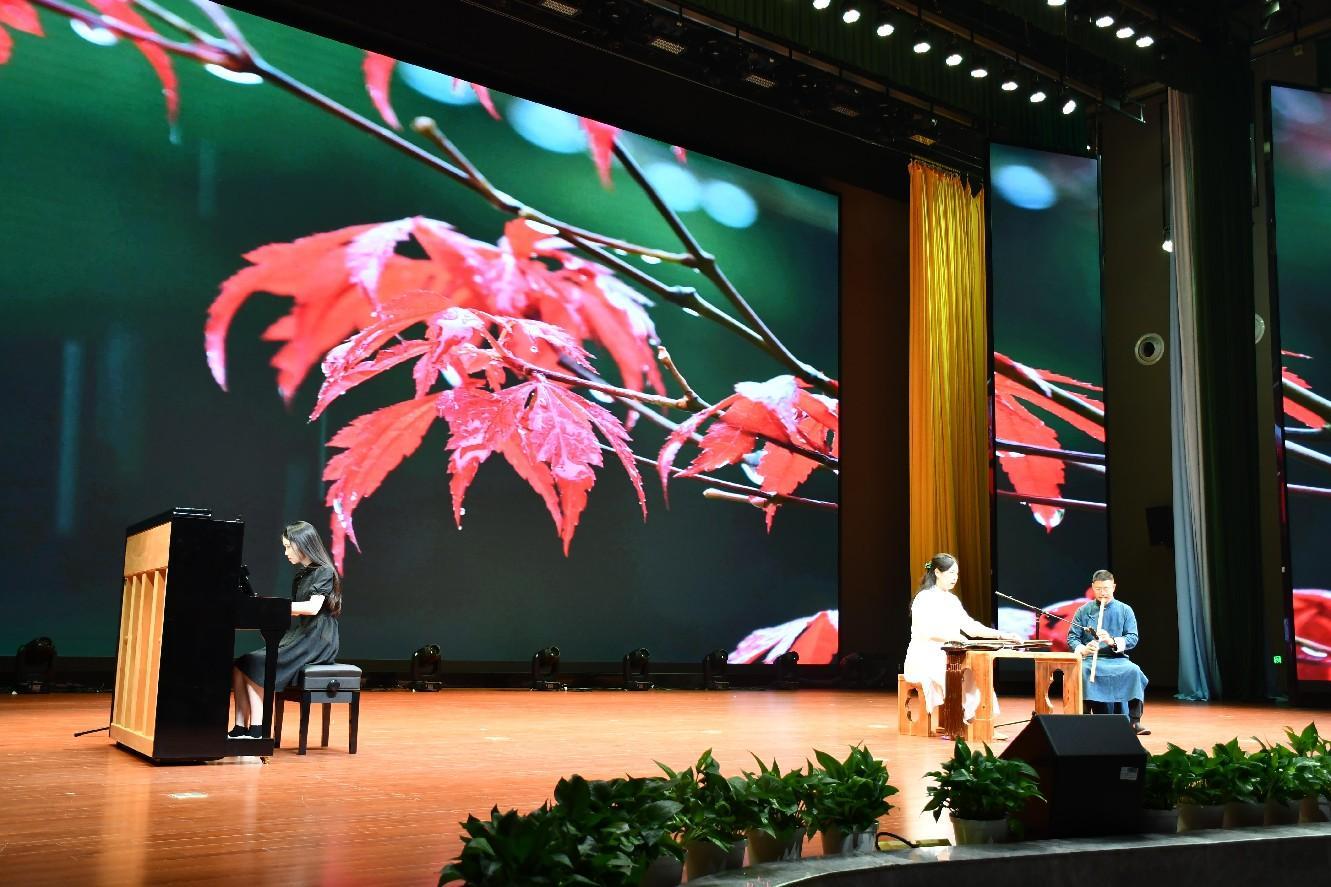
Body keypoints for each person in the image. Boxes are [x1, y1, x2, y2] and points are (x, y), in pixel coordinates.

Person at [230, 521, 342, 738]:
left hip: (318, 638)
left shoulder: (325, 572)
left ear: (303, 544)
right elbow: (296, 610)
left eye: (288, 546)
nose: (286, 552)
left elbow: (311, 608)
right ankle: (240, 728)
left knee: (256, 663)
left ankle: (257, 729)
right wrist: (267, 607)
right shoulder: (302, 575)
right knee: (240, 665)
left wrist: (272, 606)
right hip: (303, 633)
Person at [903, 553, 1021, 734]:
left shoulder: (952, 600)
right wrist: (955, 637)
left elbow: (970, 627)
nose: (955, 578)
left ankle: (978, 721)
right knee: (955, 673)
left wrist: (1002, 635)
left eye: (956, 574)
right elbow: (926, 631)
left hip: (948, 653)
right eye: (951, 573)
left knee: (976, 673)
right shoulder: (924, 598)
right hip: (925, 655)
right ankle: (962, 721)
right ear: (937, 572)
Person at [1068, 569, 1150, 736]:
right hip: (1090, 659)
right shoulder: (1083, 611)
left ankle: (1135, 722)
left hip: (1117, 659)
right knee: (1082, 672)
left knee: (1134, 671)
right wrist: (1084, 649)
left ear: (1113, 587)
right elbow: (1072, 638)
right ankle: (1084, 720)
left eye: (1106, 588)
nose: (1102, 593)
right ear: (1093, 587)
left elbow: (1133, 637)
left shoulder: (1125, 610)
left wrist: (1111, 641)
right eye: (1098, 589)